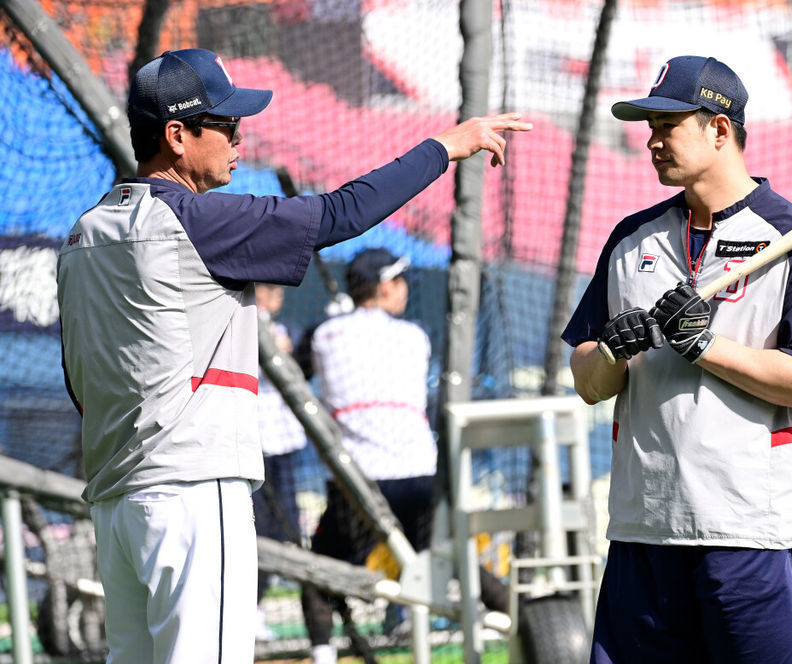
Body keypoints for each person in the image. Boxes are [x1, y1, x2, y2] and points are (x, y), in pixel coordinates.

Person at [56, 47, 530, 664]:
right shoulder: (196, 220)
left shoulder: (83, 232)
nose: (238, 138)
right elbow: (340, 213)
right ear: (176, 135)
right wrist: (444, 146)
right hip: (193, 490)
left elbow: (78, 383)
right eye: (225, 125)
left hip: (118, 501)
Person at [561, 55, 792, 664]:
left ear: (719, 130)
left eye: (667, 124)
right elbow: (588, 382)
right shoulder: (629, 241)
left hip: (748, 531)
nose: (651, 140)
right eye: (649, 125)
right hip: (642, 530)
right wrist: (614, 350)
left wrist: (705, 346)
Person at [302, 248, 436, 664]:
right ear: (382, 286)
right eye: (398, 283)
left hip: (360, 485)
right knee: (437, 563)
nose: (404, 292)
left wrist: (332, 322)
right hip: (419, 479)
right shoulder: (417, 336)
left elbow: (297, 362)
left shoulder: (323, 334)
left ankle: (324, 656)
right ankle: (520, 621)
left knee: (315, 577)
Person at [252, 283, 307, 641]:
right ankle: (248, 609)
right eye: (269, 286)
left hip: (283, 448)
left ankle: (258, 608)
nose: (279, 292)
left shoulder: (282, 330)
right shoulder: (238, 323)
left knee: (284, 532)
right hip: (252, 450)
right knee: (253, 533)